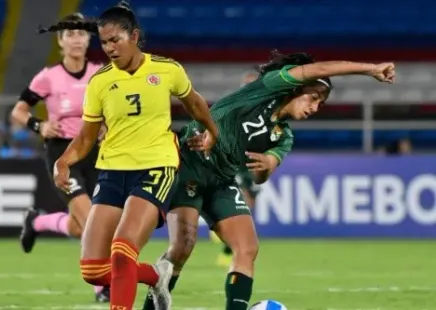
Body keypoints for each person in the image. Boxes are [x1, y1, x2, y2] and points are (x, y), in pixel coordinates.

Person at [142, 51, 396, 310]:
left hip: (222, 179)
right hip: (191, 163)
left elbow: (261, 175)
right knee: (182, 247)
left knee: (248, 248)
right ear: (296, 87)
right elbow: (317, 70)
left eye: (321, 104)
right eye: (314, 98)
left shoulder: (283, 136)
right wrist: (369, 69)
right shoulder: (267, 87)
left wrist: (266, 166)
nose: (315, 107)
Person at [44, 2, 218, 310]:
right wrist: (63, 161)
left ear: (134, 36)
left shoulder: (167, 69)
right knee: (93, 270)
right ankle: (156, 275)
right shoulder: (100, 82)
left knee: (122, 253)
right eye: (104, 42)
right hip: (112, 171)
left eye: (115, 40)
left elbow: (194, 103)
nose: (109, 47)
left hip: (156, 167)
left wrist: (212, 132)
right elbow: (86, 137)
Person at [10, 13, 109, 302]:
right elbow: (18, 111)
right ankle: (101, 286)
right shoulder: (48, 77)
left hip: (95, 153)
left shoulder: (101, 73)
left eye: (81, 34)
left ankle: (37, 223)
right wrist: (38, 125)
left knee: (82, 225)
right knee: (93, 220)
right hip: (62, 155)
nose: (76, 39)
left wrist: (107, 124)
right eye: (70, 34)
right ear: (60, 41)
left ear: (89, 39)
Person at [210, 71, 260, 268]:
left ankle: (228, 246)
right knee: (238, 197)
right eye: (245, 83)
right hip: (233, 159)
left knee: (250, 200)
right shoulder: (235, 105)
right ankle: (220, 227)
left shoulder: (265, 107)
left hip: (251, 160)